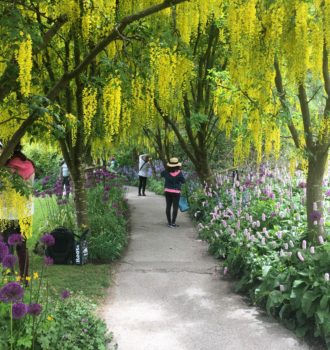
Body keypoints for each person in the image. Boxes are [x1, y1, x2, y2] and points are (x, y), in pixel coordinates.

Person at [0, 142, 35, 280]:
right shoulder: (29, 165)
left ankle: (8, 275)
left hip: (6, 212)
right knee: (22, 247)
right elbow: (31, 188)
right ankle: (24, 278)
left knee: (7, 245)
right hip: (25, 213)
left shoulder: (4, 166)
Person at [161, 157, 185, 228]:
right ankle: (173, 223)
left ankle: (169, 223)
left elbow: (161, 174)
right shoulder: (179, 173)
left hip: (167, 191)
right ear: (178, 165)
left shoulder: (166, 172)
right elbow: (183, 181)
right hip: (176, 192)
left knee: (168, 206)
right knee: (175, 207)